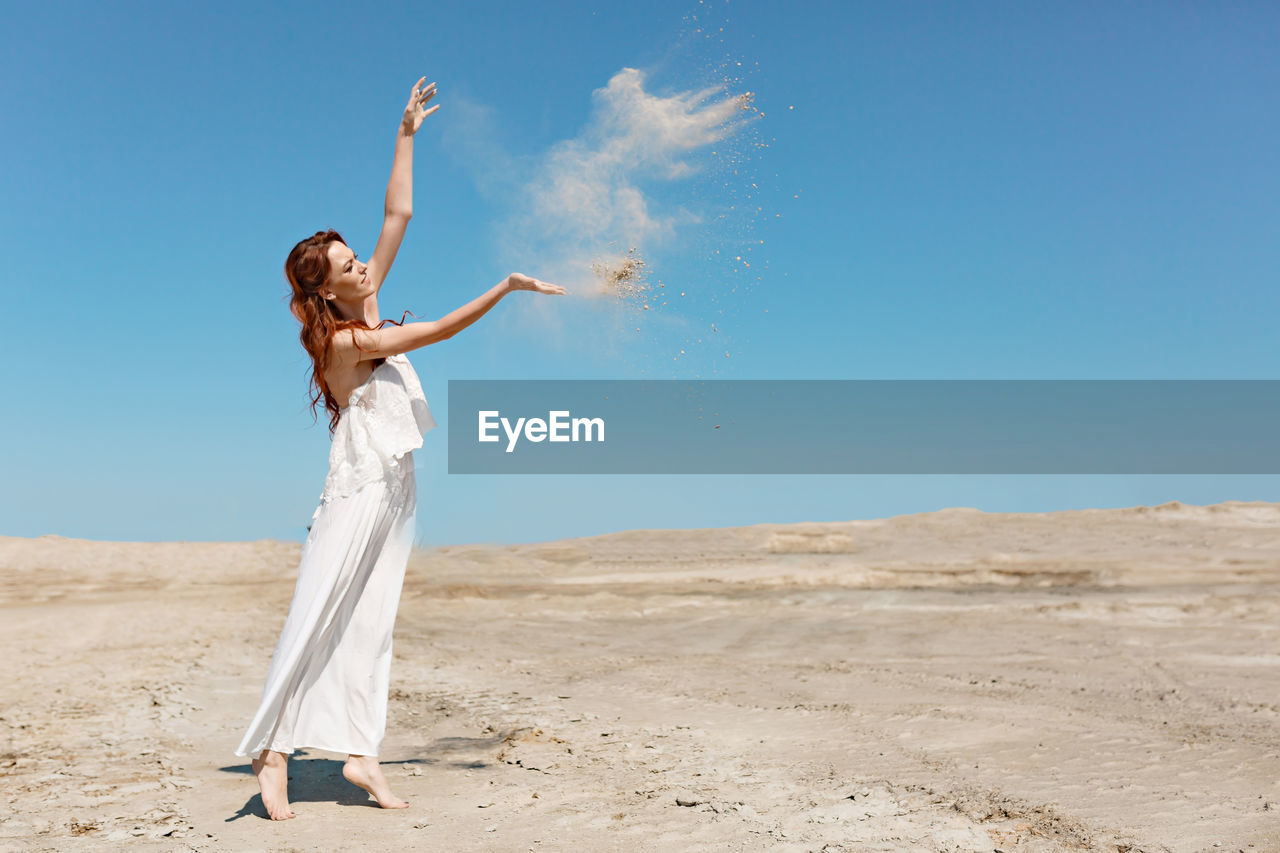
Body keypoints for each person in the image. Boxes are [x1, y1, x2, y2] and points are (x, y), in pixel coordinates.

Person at [233, 77, 565, 820]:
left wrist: (407, 132)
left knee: (372, 618)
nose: (362, 266)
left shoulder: (365, 300)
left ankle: (361, 753)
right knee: (316, 611)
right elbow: (440, 330)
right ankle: (272, 753)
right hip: (357, 488)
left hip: (397, 483)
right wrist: (505, 285)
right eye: (348, 266)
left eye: (357, 258)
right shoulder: (348, 341)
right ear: (325, 293)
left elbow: (399, 211)